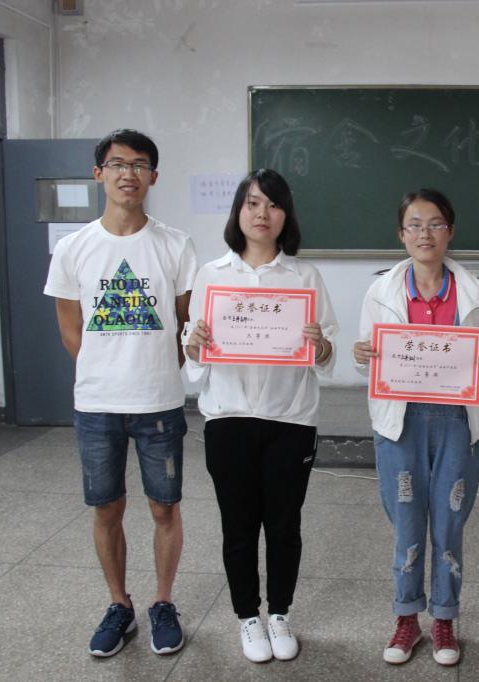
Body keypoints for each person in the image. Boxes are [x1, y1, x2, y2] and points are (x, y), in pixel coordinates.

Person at [44, 128, 197, 657]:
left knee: (164, 508)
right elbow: (71, 329)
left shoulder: (175, 244)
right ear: (99, 174)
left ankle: (163, 602)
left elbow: (185, 324)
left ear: (153, 176)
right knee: (106, 508)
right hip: (96, 405)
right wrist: (105, 369)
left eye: (138, 165)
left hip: (159, 402)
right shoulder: (73, 248)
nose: (127, 173)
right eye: (117, 164)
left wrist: (155, 368)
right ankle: (118, 604)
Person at [182, 169, 337, 663]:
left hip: (290, 420)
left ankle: (280, 614)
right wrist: (194, 344)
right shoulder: (212, 274)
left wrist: (320, 344)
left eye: (272, 204)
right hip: (227, 418)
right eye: (252, 203)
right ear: (238, 212)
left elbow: (327, 353)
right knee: (239, 525)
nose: (262, 214)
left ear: (285, 214)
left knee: (285, 524)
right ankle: (248, 617)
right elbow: (195, 353)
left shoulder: (304, 277)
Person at [352, 189, 479, 667]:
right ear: (401, 234)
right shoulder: (381, 292)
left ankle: (445, 617)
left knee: (450, 522)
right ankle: (406, 616)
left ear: (450, 231)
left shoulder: (474, 293)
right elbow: (367, 356)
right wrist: (361, 354)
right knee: (407, 523)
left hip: (456, 419)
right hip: (401, 421)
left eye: (435, 224)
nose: (425, 234)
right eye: (414, 225)